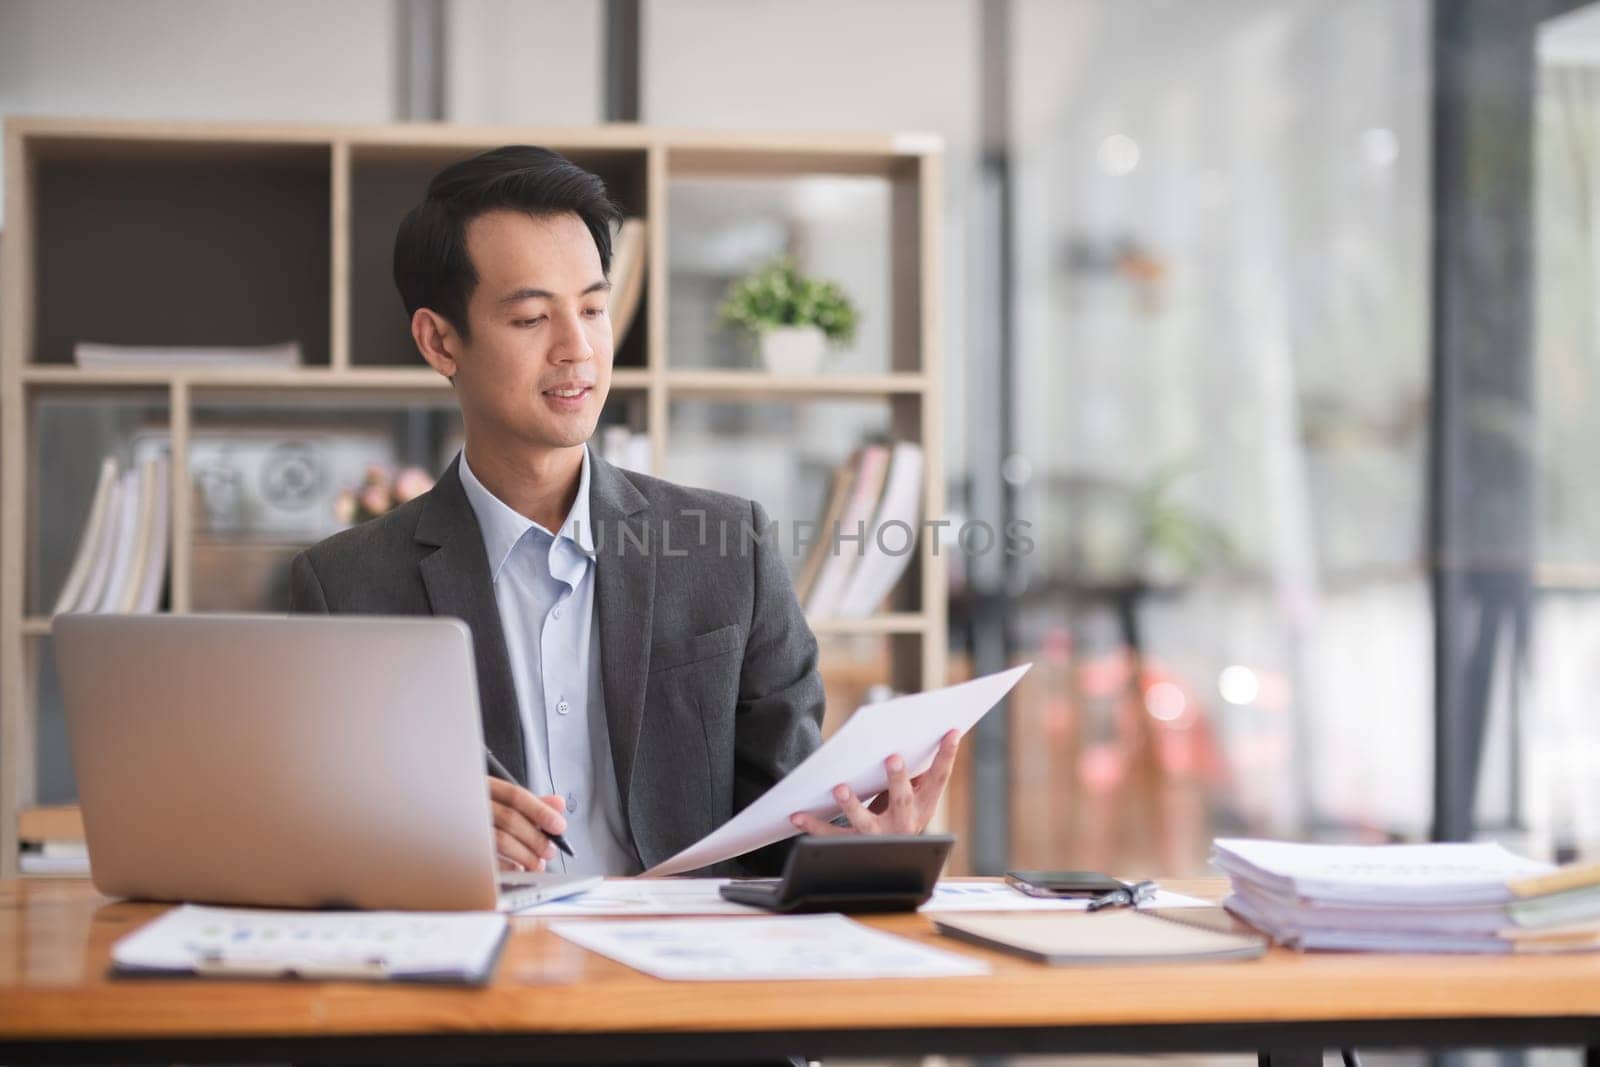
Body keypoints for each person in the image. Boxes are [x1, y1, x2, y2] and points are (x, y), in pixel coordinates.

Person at [289, 145, 960, 876]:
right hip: (485, 968)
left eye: (593, 308)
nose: (577, 348)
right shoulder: (345, 588)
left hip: (684, 975)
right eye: (531, 318)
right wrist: (424, 833)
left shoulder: (729, 550)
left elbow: (785, 823)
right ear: (440, 340)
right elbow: (308, 833)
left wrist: (861, 842)